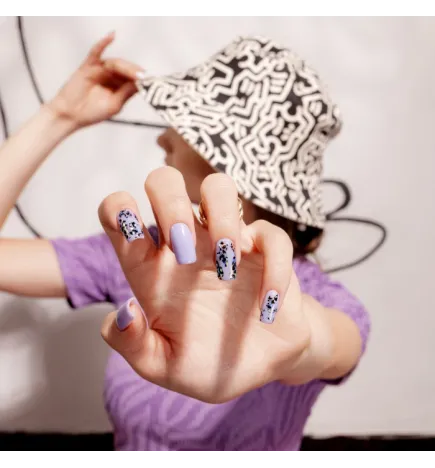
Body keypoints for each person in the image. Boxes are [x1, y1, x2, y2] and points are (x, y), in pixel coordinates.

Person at [0, 32, 370, 453]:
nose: (164, 137)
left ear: (231, 153)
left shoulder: (326, 301)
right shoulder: (142, 254)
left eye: (185, 121)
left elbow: (322, 342)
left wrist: (289, 332)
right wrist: (58, 116)